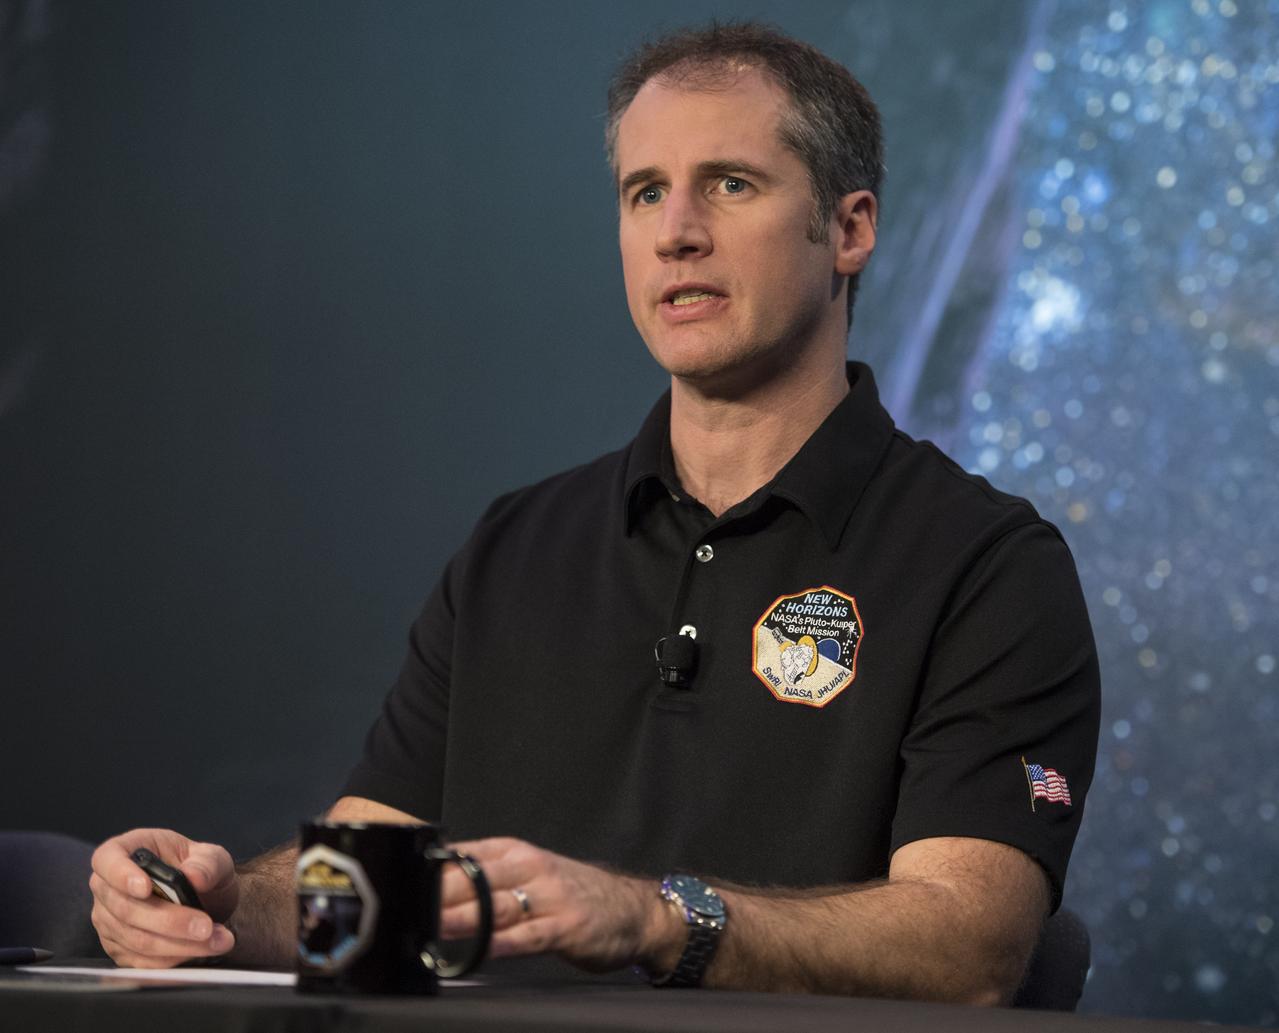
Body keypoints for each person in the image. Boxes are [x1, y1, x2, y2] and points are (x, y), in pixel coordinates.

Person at [89, 22, 1100, 1004]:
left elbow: (971, 947)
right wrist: (220, 904)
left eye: (730, 184)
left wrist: (655, 918)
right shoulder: (516, 548)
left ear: (850, 228)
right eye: (643, 191)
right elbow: (364, 898)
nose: (676, 231)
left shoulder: (988, 565)